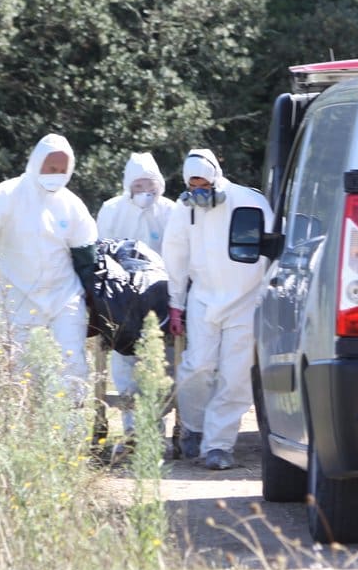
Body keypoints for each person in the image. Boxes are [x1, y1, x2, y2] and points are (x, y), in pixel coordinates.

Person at [0, 133, 98, 412]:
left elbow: (86, 260)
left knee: (72, 365)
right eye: (50, 167)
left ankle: (71, 431)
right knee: (21, 371)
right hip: (17, 297)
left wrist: (96, 304)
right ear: (36, 162)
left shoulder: (72, 205)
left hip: (64, 297)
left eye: (62, 169)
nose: (56, 174)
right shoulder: (4, 195)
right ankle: (27, 429)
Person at [161, 148, 272, 470]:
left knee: (236, 374)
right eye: (193, 184)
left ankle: (219, 445)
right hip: (204, 298)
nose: (199, 191)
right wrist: (176, 303)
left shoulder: (251, 201)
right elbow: (175, 256)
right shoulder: (184, 209)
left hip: (246, 300)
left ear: (216, 179)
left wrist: (267, 296)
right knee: (197, 366)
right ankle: (193, 428)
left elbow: (271, 250)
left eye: (204, 184)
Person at [95, 152, 177, 450]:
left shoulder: (170, 211)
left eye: (150, 186)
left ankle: (155, 432)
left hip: (160, 297)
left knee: (160, 365)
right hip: (122, 301)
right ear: (128, 186)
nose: (145, 192)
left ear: (160, 185)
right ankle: (132, 432)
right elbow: (101, 251)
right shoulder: (112, 210)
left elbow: (178, 251)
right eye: (139, 186)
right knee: (124, 364)